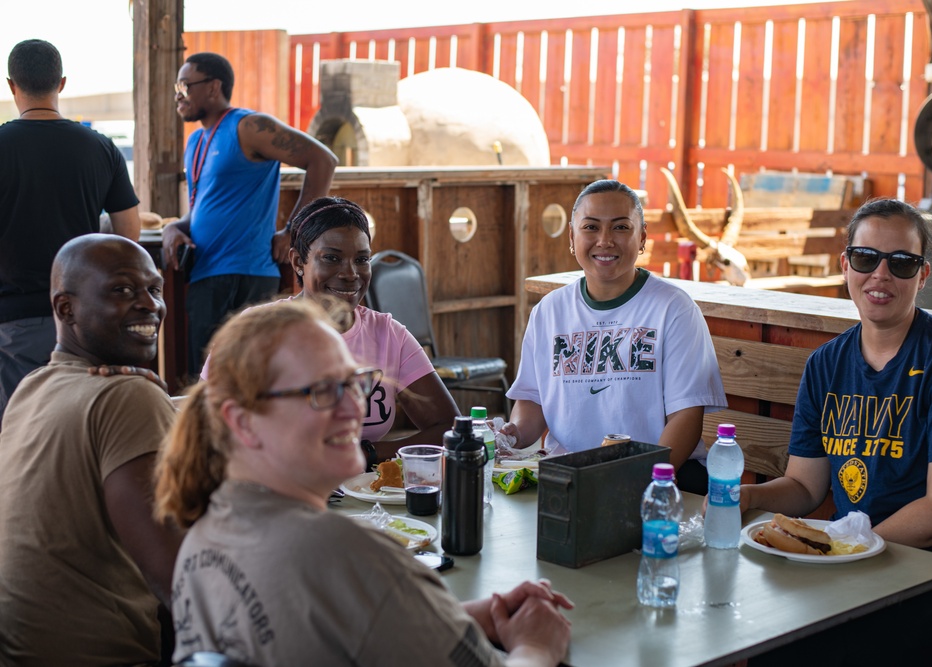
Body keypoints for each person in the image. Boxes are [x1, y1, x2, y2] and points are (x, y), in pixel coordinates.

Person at [156, 298, 572, 666]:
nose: (351, 409)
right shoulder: (349, 555)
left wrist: (452, 614)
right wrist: (537, 646)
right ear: (242, 422)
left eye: (353, 384)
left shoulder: (202, 536)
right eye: (320, 390)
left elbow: (344, 625)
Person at [742, 198, 932, 666]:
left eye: (901, 263)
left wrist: (847, 553)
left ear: (922, 276)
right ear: (846, 265)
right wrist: (749, 499)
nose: (881, 275)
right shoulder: (826, 363)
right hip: (861, 560)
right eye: (866, 258)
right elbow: (804, 486)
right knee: (769, 642)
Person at [0, 234, 184, 666]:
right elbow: (184, 582)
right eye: (122, 290)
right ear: (66, 309)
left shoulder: (33, 386)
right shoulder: (126, 398)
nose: (149, 305)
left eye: (154, 289)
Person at [500, 179, 727, 493]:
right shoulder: (548, 311)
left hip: (656, 481)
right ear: (571, 236)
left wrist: (643, 480)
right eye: (591, 227)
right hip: (569, 479)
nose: (604, 240)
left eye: (620, 228)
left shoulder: (673, 309)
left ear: (642, 237)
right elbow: (533, 402)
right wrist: (512, 435)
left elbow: (686, 417)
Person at [200, 196, 460, 466]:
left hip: (362, 495)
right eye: (332, 258)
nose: (350, 273)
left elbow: (448, 428)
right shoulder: (255, 332)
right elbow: (206, 424)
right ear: (298, 261)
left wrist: (368, 452)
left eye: (362, 259)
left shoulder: (389, 335)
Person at [162, 51, 338, 375]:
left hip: (249, 274)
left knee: (254, 377)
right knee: (203, 379)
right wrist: (176, 226)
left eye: (185, 86)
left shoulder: (249, 126)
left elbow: (323, 161)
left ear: (213, 87)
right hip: (205, 274)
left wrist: (294, 231)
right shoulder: (195, 142)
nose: (178, 94)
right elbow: (202, 208)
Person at [0, 39, 140, 424]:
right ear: (61, 83)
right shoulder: (101, 148)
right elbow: (129, 236)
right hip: (85, 317)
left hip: (14, 320)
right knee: (79, 424)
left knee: (20, 430)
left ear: (12, 85)